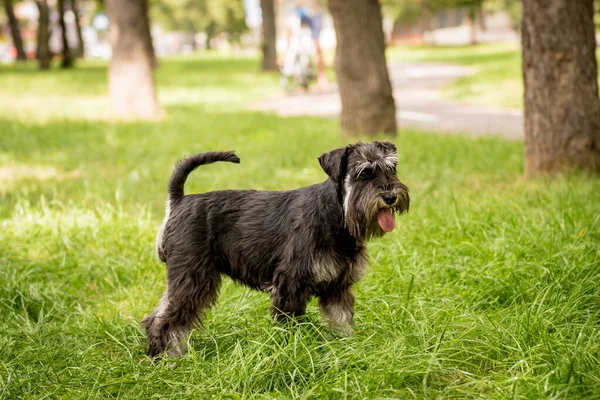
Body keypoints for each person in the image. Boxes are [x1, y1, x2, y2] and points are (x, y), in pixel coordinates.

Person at [281, 1, 329, 91]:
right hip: (296, 9)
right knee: (290, 31)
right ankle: (289, 60)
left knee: (317, 45)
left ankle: (321, 76)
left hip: (313, 11)